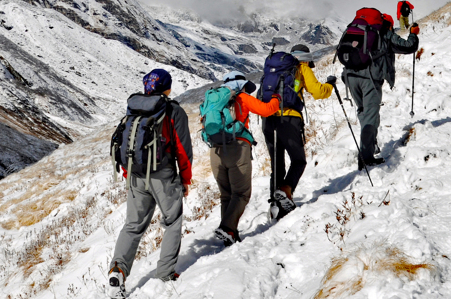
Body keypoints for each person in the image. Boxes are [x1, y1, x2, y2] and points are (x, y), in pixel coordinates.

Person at [109, 69, 193, 296]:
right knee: (172, 220)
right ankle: (165, 273)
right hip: (163, 175)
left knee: (133, 226)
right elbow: (183, 150)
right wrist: (185, 179)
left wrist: (128, 172)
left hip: (136, 174)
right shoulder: (172, 110)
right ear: (167, 87)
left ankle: (117, 270)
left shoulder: (134, 108)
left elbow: (128, 144)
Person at [262, 44, 335, 219]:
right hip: (288, 119)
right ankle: (286, 191)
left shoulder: (273, 69)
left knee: (277, 164)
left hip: (268, 119)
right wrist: (330, 86)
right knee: (298, 161)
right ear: (306, 58)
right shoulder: (301, 67)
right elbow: (317, 91)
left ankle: (275, 205)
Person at [208, 72, 280, 246]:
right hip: (237, 147)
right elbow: (267, 110)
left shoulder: (214, 101)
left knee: (226, 195)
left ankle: (229, 233)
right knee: (241, 193)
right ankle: (227, 228)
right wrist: (277, 97)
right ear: (241, 85)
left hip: (215, 150)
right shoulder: (242, 97)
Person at [342, 22, 419, 168]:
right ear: (387, 26)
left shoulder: (359, 32)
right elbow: (408, 46)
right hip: (369, 80)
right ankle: (366, 159)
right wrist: (413, 33)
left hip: (350, 77)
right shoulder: (384, 34)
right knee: (370, 117)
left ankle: (371, 145)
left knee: (364, 112)